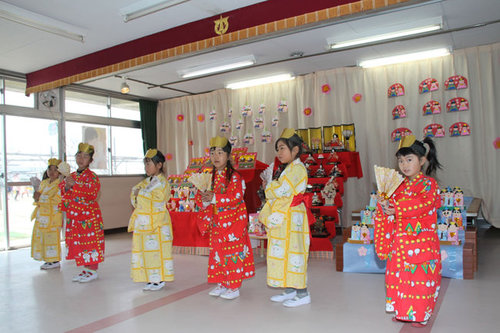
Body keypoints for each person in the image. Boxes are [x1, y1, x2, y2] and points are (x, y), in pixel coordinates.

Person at [374, 135, 442, 327]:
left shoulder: (429, 184)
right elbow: (392, 209)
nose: (404, 164)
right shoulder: (399, 186)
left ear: (422, 160)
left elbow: (423, 204)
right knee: (399, 279)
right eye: (400, 160)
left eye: (409, 159)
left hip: (421, 245)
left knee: (421, 281)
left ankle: (421, 314)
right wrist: (385, 206)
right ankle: (404, 311)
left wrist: (398, 209)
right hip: (400, 245)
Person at [259, 128, 314, 307]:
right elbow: (278, 190)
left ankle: (303, 292)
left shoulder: (298, 168)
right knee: (283, 252)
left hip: (293, 217)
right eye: (278, 149)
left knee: (295, 254)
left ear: (295, 149)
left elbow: (282, 190)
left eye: (282, 148)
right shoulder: (289, 168)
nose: (279, 153)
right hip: (286, 215)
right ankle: (290, 289)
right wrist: (272, 187)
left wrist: (269, 187)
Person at [196, 136, 255, 300]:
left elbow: (236, 197)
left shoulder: (235, 177)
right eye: (212, 152)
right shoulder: (209, 177)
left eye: (220, 152)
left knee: (232, 253)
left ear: (229, 156)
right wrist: (205, 200)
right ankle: (222, 283)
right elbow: (201, 199)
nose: (215, 156)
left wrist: (214, 198)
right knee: (217, 253)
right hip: (217, 223)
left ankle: (234, 286)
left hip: (233, 224)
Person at [128, 149, 174, 291]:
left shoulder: (163, 183)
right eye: (145, 164)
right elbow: (135, 195)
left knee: (158, 250)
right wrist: (139, 195)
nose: (147, 167)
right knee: (145, 250)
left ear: (159, 165)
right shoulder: (146, 182)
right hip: (144, 221)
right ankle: (150, 277)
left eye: (149, 164)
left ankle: (159, 279)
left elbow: (159, 199)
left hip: (158, 222)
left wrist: (140, 194)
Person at [60, 143, 105, 283]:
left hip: (88, 217)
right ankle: (86, 269)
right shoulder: (71, 176)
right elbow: (63, 193)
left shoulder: (92, 177)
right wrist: (67, 186)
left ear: (91, 160)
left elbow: (92, 193)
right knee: (80, 243)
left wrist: (75, 185)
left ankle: (92, 270)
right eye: (79, 155)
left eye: (85, 156)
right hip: (75, 217)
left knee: (90, 242)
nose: (81, 158)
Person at [31, 158, 63, 269]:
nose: (52, 172)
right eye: (50, 169)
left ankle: (54, 260)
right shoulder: (43, 183)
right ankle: (47, 259)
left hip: (53, 216)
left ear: (60, 172)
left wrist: (41, 198)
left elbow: (57, 200)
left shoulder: (60, 184)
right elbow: (38, 198)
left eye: (55, 170)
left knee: (52, 238)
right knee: (42, 237)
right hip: (42, 216)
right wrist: (36, 197)